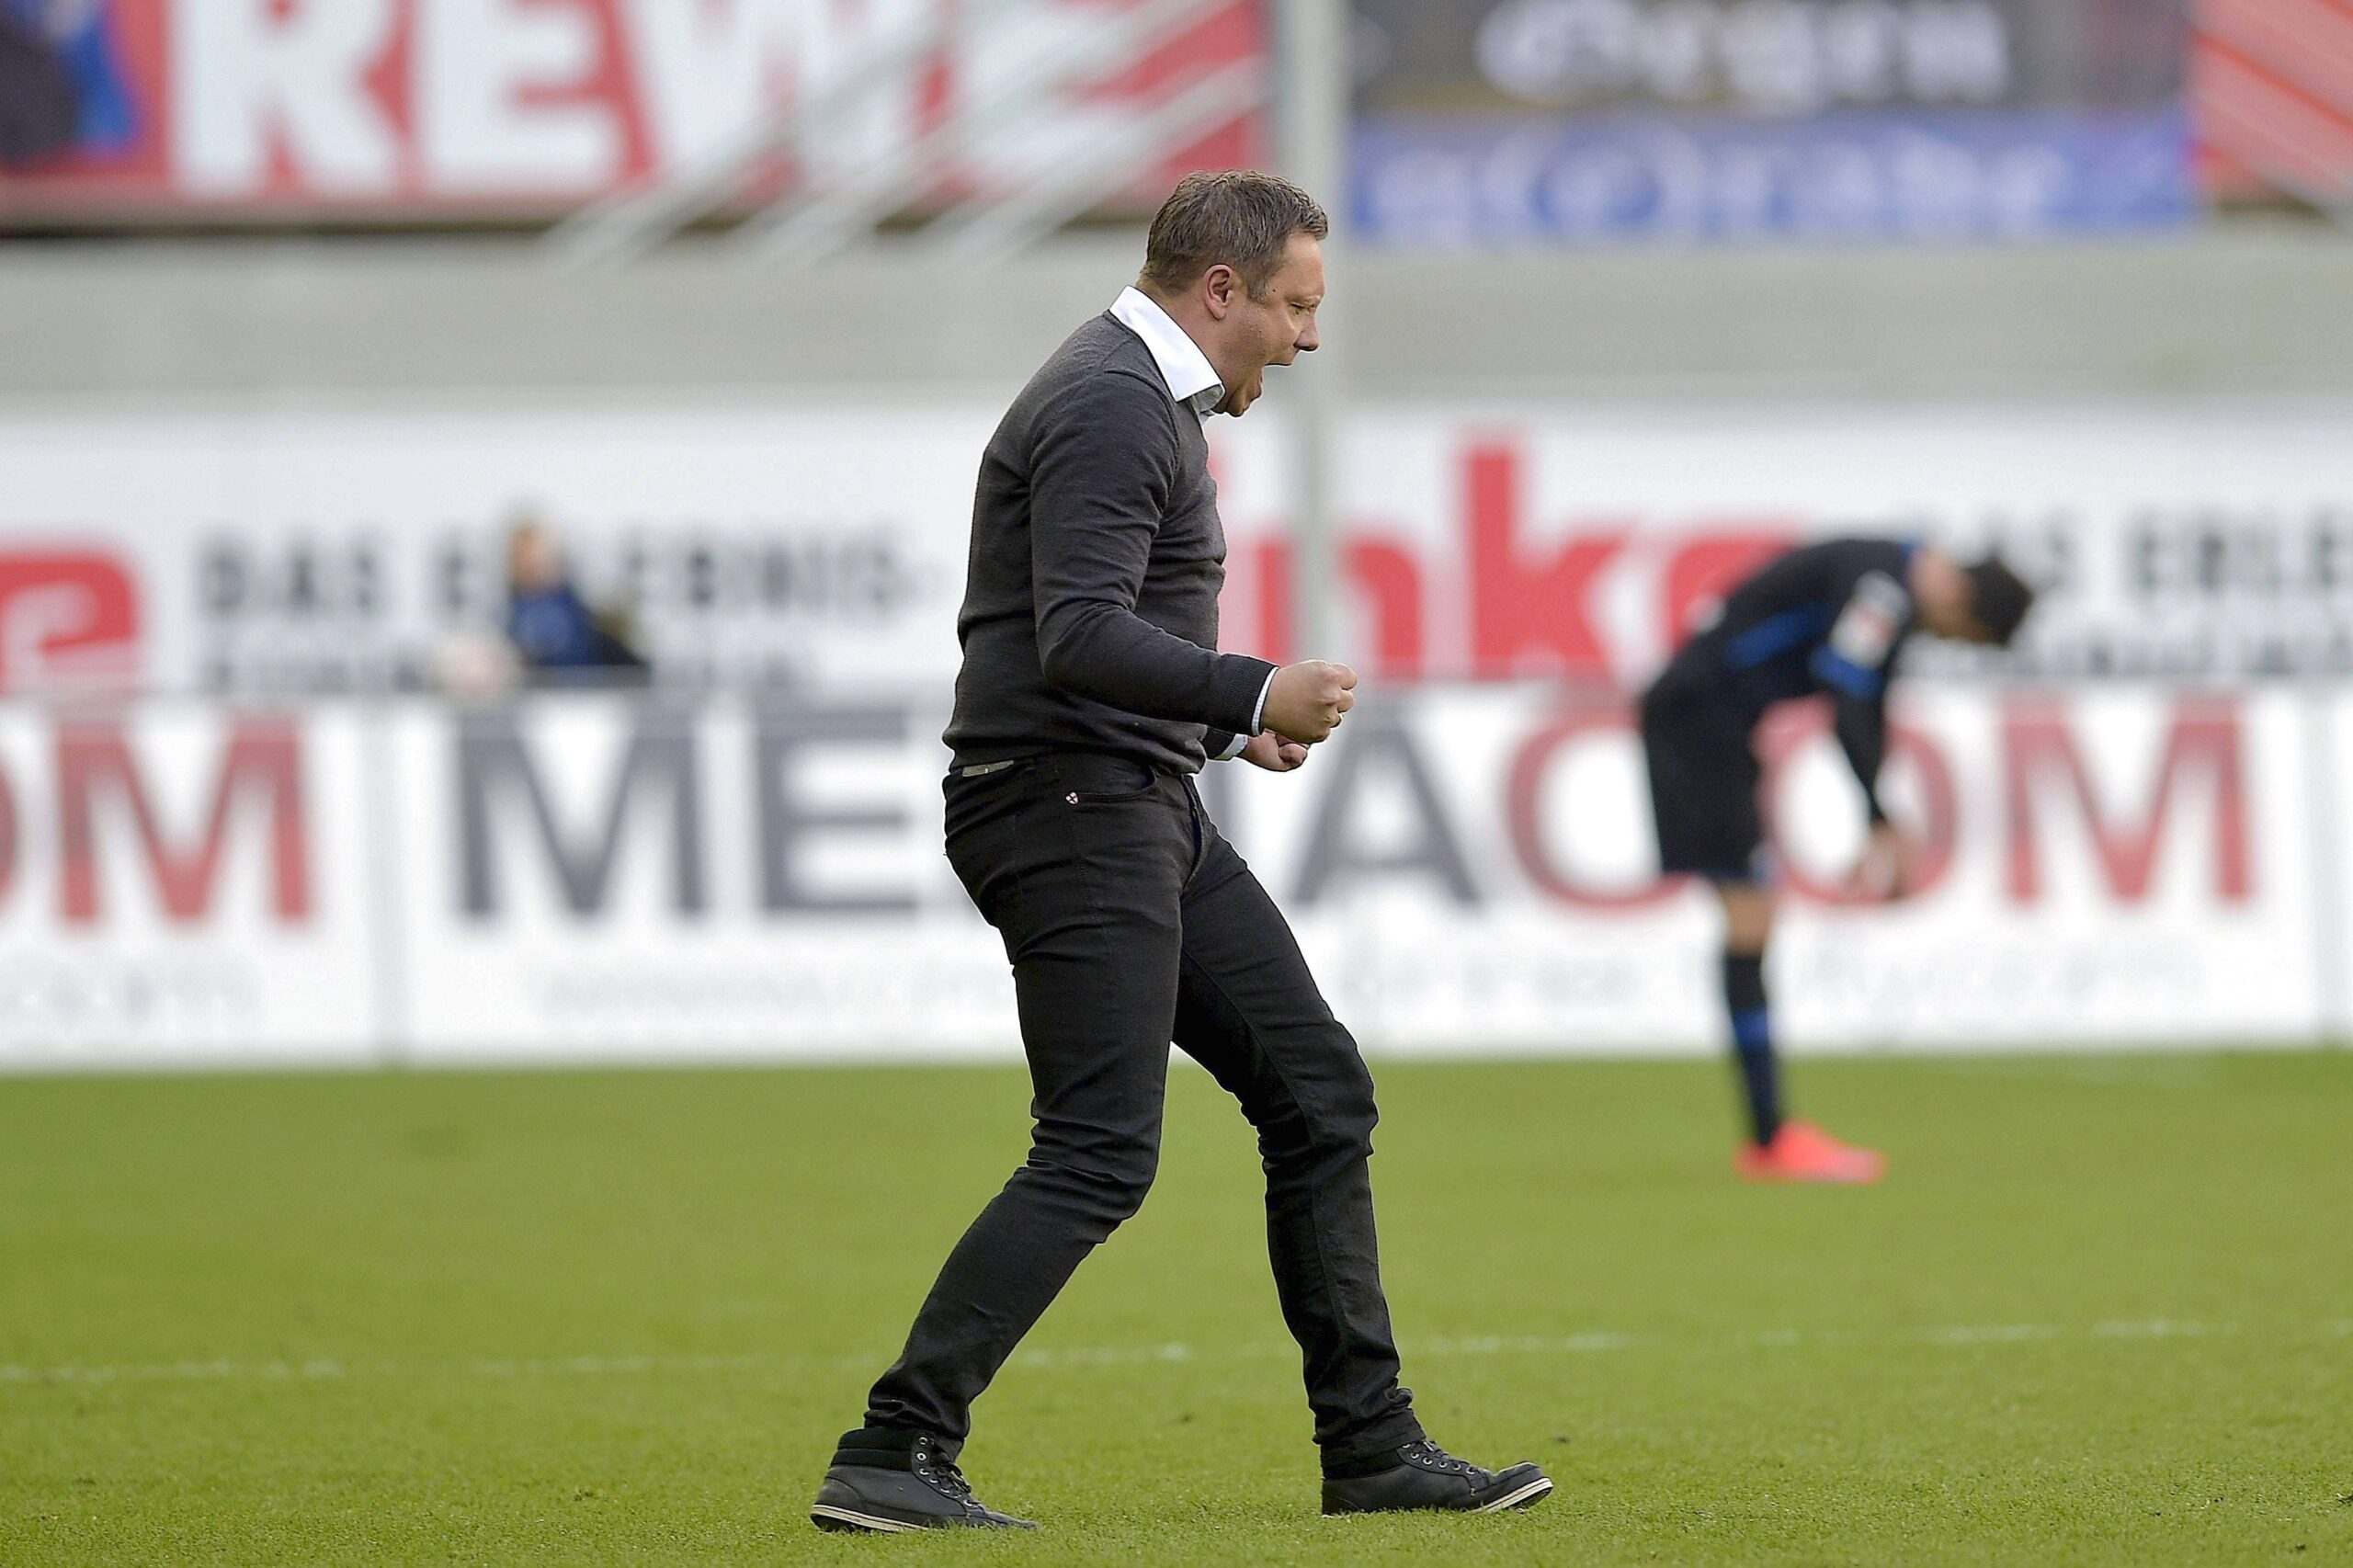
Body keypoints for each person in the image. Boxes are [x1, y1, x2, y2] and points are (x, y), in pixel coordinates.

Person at [810, 172, 1552, 1534]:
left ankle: (1372, 1449)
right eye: (1294, 306)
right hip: (1069, 808)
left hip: (1130, 798)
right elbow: (1078, 632)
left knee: (1320, 1094)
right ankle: (892, 1446)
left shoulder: (1132, 399)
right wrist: (1251, 689)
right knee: (1098, 1150)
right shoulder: (1107, 400)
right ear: (1221, 291)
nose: (1307, 338)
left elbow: (1073, 650)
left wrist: (1210, 737)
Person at [1641, 537, 2035, 1183]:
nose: (1943, 640)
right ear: (1960, 598)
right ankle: (1770, 1141)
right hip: (1696, 720)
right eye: (1960, 635)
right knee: (1750, 918)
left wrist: (1879, 818)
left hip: (1710, 722)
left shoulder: (1888, 584)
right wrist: (1879, 817)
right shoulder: (1883, 589)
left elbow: (1867, 704)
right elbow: (1844, 689)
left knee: (1752, 918)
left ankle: (1770, 1136)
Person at [501, 512, 649, 685]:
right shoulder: (512, 612)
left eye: (535, 556)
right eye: (523, 557)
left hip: (589, 696)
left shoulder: (579, 609)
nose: (530, 564)